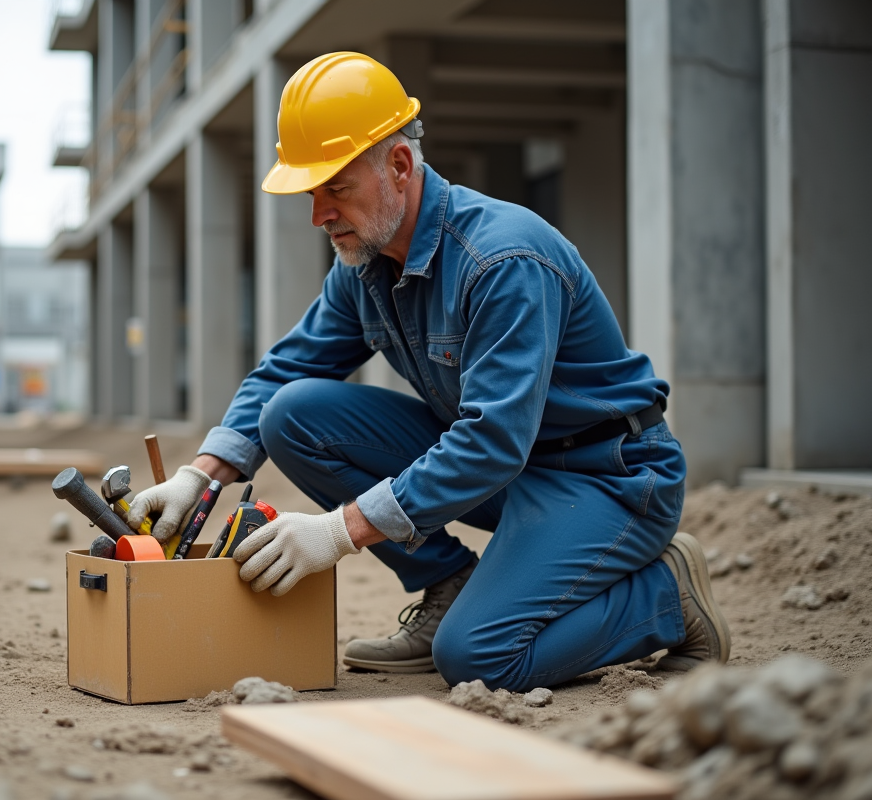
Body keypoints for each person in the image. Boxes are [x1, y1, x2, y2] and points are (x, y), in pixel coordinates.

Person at [126, 52, 730, 692]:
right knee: (293, 415)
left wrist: (339, 530)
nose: (319, 215)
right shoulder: (364, 263)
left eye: (336, 187)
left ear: (400, 165)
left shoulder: (503, 260)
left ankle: (668, 595)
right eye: (311, 192)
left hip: (606, 478)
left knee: (477, 658)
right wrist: (203, 475)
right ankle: (447, 582)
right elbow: (287, 371)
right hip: (510, 469)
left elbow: (492, 440)